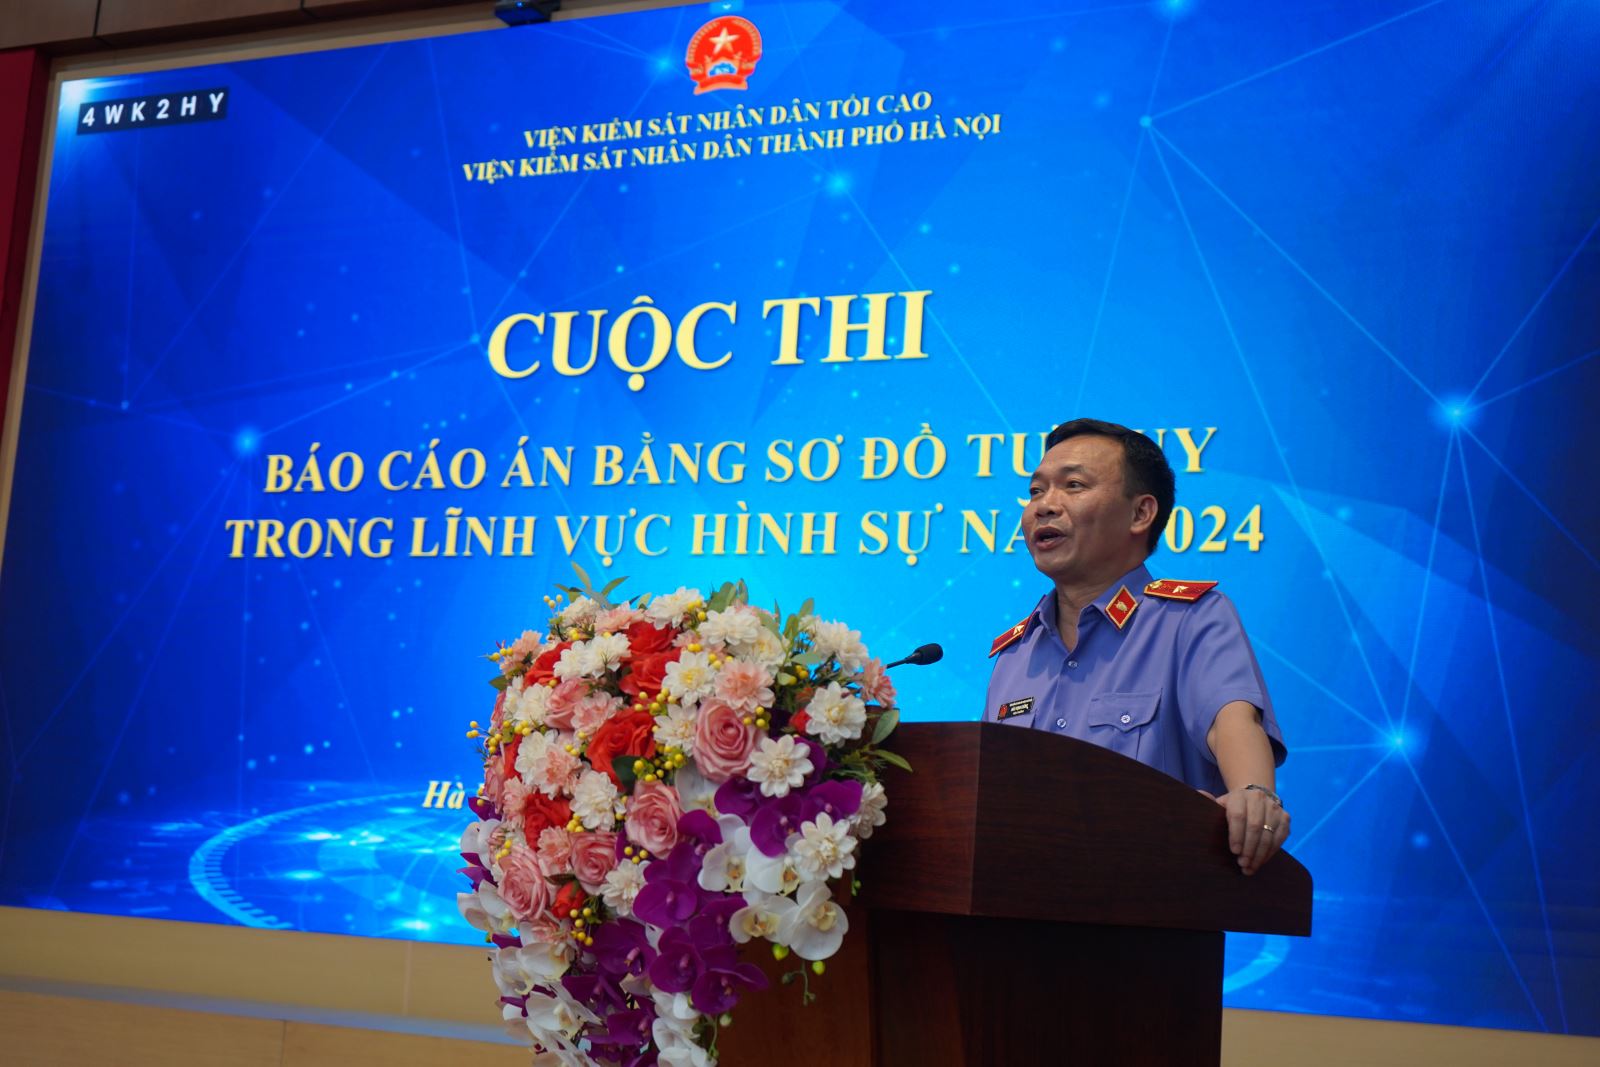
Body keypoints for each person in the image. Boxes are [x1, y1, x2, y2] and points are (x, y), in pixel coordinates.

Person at [985, 418, 1290, 875]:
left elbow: (1231, 720)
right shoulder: (1014, 654)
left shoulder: (1190, 620)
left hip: (1149, 898)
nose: (1044, 506)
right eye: (1036, 491)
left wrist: (1253, 794)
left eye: (1073, 485)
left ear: (1141, 514)